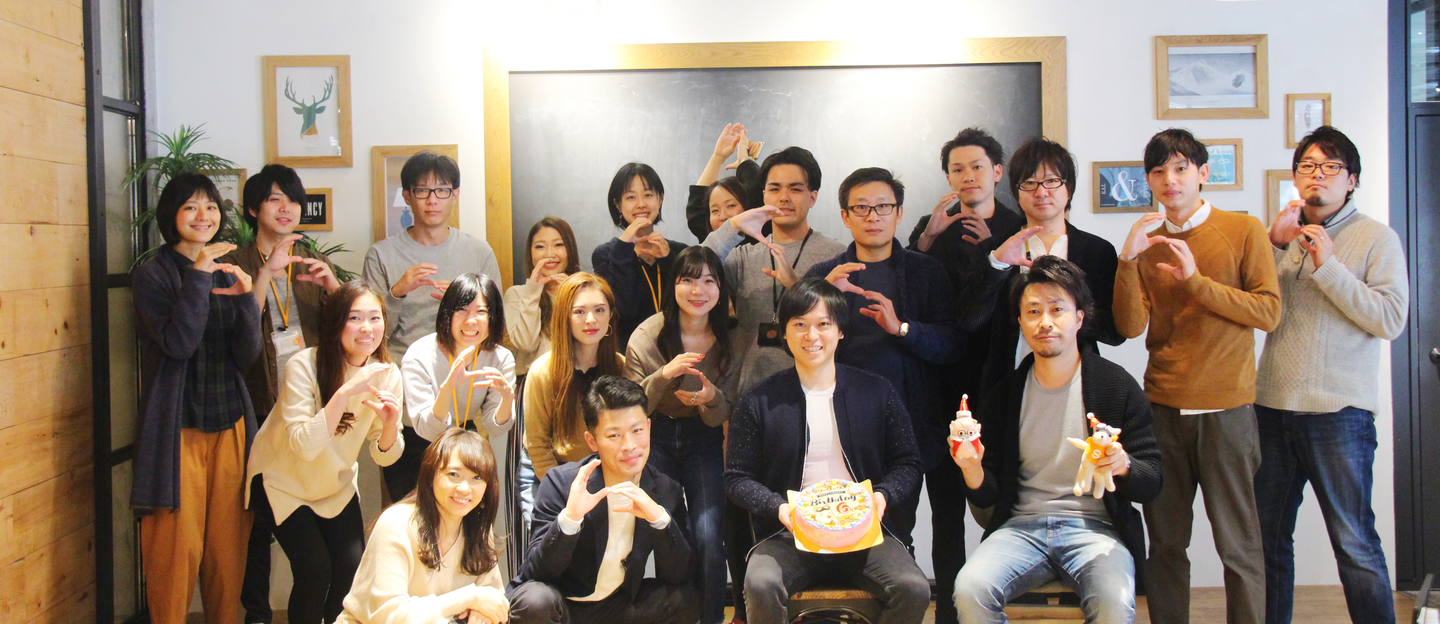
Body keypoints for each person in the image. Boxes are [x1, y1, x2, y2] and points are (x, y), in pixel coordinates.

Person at [1113, 128, 1281, 624]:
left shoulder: (1243, 229)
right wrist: (1127, 259)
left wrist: (1196, 283)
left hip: (1227, 410)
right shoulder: (1147, 243)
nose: (1170, 179)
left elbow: (1268, 312)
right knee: (1166, 544)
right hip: (1162, 409)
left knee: (1239, 546)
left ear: (1203, 173)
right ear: (1148, 180)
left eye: (1181, 168)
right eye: (1159, 171)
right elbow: (1129, 326)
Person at [952, 256, 1162, 624]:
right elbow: (988, 496)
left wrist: (1124, 465)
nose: (1045, 321)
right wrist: (971, 469)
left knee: (1114, 602)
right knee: (969, 590)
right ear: (1020, 322)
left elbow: (1153, 480)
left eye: (1057, 309)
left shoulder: (1115, 387)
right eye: (1033, 311)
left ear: (1079, 318)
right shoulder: (1005, 395)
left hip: (1097, 530)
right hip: (1021, 528)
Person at [1256, 126, 1407, 624]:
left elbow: (1390, 319)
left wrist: (1329, 265)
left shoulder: (1376, 237)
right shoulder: (1283, 236)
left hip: (1339, 414)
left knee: (1354, 542)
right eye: (1307, 166)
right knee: (1266, 540)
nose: (1316, 174)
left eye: (1330, 166)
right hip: (1271, 406)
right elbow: (1259, 310)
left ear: (1352, 180)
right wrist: (1273, 248)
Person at [726, 278, 929, 624]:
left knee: (913, 588)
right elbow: (736, 479)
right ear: (784, 333)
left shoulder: (877, 392)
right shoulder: (759, 401)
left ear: (840, 331)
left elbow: (908, 462)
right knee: (761, 583)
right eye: (800, 325)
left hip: (864, 533)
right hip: (788, 534)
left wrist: (882, 496)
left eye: (823, 324)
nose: (812, 336)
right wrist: (779, 509)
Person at [802, 167, 959, 559]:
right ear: (845, 216)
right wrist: (822, 300)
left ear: (899, 213)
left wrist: (901, 328)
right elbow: (798, 348)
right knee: (844, 532)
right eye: (861, 208)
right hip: (841, 427)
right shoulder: (823, 276)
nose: (873, 216)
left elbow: (951, 346)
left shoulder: (926, 272)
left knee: (899, 534)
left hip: (911, 424)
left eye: (883, 207)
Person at [131, 172, 260, 624]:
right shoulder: (153, 274)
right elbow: (179, 343)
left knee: (228, 550)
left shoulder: (226, 266)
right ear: (172, 216)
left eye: (209, 207)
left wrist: (246, 300)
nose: (202, 216)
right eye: (190, 207)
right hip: (177, 427)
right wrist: (199, 277)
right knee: (175, 550)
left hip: (230, 421)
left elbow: (245, 356)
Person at [221, 164, 342, 624]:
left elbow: (348, 330)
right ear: (254, 209)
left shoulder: (309, 260)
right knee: (256, 520)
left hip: (308, 408)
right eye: (275, 199)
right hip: (255, 404)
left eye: (293, 200)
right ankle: (257, 614)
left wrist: (332, 288)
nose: (287, 207)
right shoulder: (235, 261)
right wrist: (263, 275)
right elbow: (234, 335)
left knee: (316, 514)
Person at [245, 281, 406, 624]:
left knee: (350, 568)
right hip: (282, 482)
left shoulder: (387, 373)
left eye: (375, 318)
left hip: (334, 484)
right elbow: (304, 446)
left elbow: (385, 456)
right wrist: (345, 392)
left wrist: (391, 426)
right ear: (335, 323)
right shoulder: (304, 365)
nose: (367, 328)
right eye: (354, 318)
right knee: (314, 569)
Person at [362, 151, 503, 500]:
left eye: (441, 190)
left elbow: (496, 324)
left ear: (455, 195)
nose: (432, 200)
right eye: (421, 190)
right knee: (408, 505)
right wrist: (397, 292)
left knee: (463, 502)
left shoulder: (478, 252)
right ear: (407, 196)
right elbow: (369, 338)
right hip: (406, 403)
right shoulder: (382, 255)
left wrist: (463, 303)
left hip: (464, 401)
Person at [509, 376, 700, 624]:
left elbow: (681, 574)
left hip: (618, 608)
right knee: (534, 601)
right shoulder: (562, 484)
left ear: (649, 428)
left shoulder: (665, 489)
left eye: (637, 430)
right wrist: (570, 519)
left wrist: (659, 520)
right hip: (565, 606)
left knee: (684, 601)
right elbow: (536, 572)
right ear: (592, 441)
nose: (629, 445)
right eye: (614, 436)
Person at [624, 245, 737, 624]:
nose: (698, 290)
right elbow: (631, 405)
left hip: (703, 438)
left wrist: (711, 398)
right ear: (673, 285)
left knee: (709, 535)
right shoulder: (648, 334)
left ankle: (711, 618)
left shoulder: (730, 337)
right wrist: (663, 375)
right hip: (655, 437)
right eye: (687, 280)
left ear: (720, 288)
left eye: (708, 281)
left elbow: (724, 410)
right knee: (666, 532)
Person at [962, 137, 1124, 393]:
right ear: (1017, 192)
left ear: (1068, 188)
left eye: (1051, 181)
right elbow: (970, 322)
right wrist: (997, 265)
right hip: (1009, 385)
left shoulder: (1097, 251)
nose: (1041, 192)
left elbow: (1115, 333)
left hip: (1080, 385)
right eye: (1029, 183)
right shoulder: (995, 248)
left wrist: (1064, 309)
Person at [702, 146, 847, 395]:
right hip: (750, 393)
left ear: (812, 197)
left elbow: (845, 326)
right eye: (775, 189)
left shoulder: (836, 255)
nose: (784, 197)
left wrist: (797, 287)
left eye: (795, 189)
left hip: (816, 391)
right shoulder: (744, 256)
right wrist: (734, 225)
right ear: (764, 195)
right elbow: (695, 269)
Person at [336, 428, 510, 624]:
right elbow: (388, 616)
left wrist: (483, 613)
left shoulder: (477, 529)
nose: (464, 488)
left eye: (477, 477)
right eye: (453, 474)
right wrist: (468, 598)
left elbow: (495, 600)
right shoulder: (396, 523)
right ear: (431, 476)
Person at [502, 216, 581, 561]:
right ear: (530, 253)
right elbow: (524, 341)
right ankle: (529, 565)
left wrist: (568, 295)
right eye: (540, 246)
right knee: (529, 482)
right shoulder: (517, 294)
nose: (550, 253)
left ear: (570, 250)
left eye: (558, 244)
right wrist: (534, 290)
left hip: (576, 392)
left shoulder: (582, 289)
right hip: (531, 394)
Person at [524, 273, 627, 482]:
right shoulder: (542, 372)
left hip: (609, 473)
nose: (591, 320)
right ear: (565, 318)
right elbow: (538, 446)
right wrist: (564, 492)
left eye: (599, 310)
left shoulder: (621, 365)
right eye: (579, 311)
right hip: (555, 476)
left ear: (610, 315)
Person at [402, 273, 515, 443]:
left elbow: (495, 428)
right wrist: (447, 388)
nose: (470, 321)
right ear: (447, 313)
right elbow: (427, 430)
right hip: (419, 440)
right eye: (462, 310)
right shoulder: (419, 356)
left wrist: (507, 399)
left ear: (493, 317)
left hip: (464, 438)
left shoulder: (501, 358)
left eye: (481, 311)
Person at [592, 162, 690, 349]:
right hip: (628, 355)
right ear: (618, 205)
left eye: (648, 195)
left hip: (678, 351)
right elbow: (624, 310)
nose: (641, 204)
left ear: (660, 199)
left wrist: (669, 261)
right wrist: (624, 247)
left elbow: (689, 306)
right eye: (631, 197)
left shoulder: (680, 252)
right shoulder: (605, 255)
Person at [686, 123, 762, 240]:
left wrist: (745, 162)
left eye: (731, 206)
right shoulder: (711, 242)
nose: (723, 216)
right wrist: (718, 157)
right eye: (715, 211)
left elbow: (757, 193)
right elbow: (696, 210)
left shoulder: (761, 240)